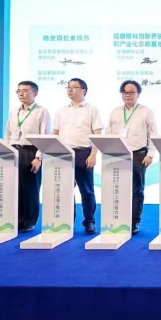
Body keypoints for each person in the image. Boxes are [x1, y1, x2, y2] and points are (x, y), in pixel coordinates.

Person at [52, 78, 104, 234]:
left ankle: (89, 221)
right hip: (64, 153)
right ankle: (67, 221)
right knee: (65, 190)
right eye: (68, 87)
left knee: (86, 190)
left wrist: (93, 155)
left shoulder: (91, 110)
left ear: (83, 91)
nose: (70, 89)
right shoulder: (61, 110)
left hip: (83, 153)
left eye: (74, 87)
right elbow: (55, 132)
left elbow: (97, 133)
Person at [106, 80, 157, 235]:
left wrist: (150, 154)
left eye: (131, 92)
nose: (127, 95)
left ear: (138, 94)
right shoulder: (115, 111)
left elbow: (153, 134)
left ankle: (135, 221)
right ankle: (119, 219)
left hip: (138, 154)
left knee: (137, 189)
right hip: (118, 155)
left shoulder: (146, 111)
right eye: (125, 92)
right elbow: (108, 132)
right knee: (118, 188)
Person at [4, 81, 51, 233]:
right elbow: (8, 133)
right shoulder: (14, 111)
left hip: (31, 151)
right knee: (16, 188)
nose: (21, 94)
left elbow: (44, 136)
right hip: (14, 150)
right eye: (18, 91)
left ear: (35, 93)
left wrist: (38, 157)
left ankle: (30, 221)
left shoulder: (41, 111)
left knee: (31, 189)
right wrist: (5, 150)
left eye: (25, 91)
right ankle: (18, 219)